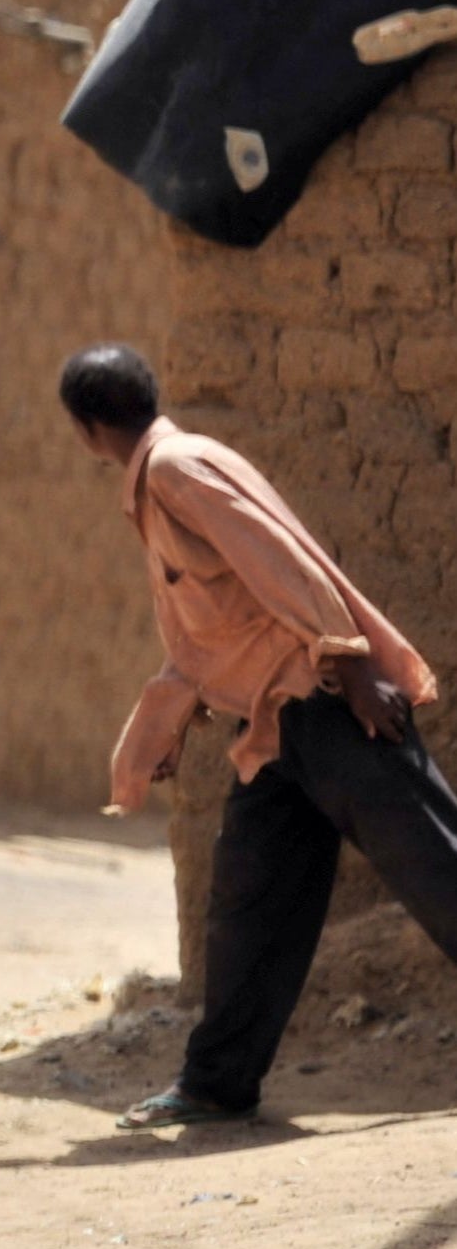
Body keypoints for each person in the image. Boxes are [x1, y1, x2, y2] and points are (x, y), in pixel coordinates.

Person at [64, 343, 457, 1129]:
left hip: (327, 705)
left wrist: (348, 666)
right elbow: (211, 625)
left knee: (439, 870)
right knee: (250, 901)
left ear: (89, 429)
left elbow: (278, 561)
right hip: (277, 727)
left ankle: (216, 1080)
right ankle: (216, 1084)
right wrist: (168, 722)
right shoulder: (168, 472)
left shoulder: (176, 469)